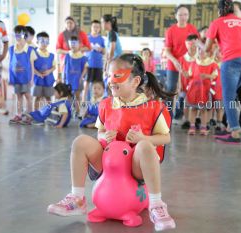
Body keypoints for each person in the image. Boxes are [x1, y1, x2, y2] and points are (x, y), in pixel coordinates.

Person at [47, 54, 176, 231]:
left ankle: (156, 204)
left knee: (145, 146)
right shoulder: (106, 104)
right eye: (109, 75)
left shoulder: (153, 107)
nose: (110, 80)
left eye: (118, 76)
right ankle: (77, 198)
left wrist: (143, 139)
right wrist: (103, 136)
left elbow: (165, 137)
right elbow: (100, 131)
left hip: (135, 166)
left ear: (135, 81)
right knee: (80, 142)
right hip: (110, 162)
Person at [202, 0, 241, 144]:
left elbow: (207, 48)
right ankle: (231, 127)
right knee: (230, 94)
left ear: (220, 11)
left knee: (228, 96)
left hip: (231, 61)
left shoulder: (217, 22)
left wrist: (207, 47)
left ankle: (235, 131)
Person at [164, 4, 199, 117]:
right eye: (180, 14)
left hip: (188, 66)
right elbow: (167, 51)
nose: (183, 17)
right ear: (176, 16)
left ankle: (178, 113)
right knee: (171, 89)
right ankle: (167, 114)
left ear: (188, 16)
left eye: (185, 14)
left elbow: (198, 46)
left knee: (186, 90)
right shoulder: (171, 31)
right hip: (173, 65)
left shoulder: (192, 29)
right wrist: (175, 61)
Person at [186, 47, 219, 136]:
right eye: (200, 50)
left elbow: (215, 75)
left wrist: (207, 76)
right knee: (193, 108)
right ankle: (192, 127)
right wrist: (185, 74)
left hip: (205, 89)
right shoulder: (193, 63)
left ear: (207, 53)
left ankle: (203, 127)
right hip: (194, 89)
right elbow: (190, 74)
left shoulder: (212, 63)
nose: (201, 52)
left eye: (204, 51)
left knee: (204, 109)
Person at [8, 25, 37, 125]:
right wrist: (10, 78)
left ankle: (29, 115)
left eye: (19, 34)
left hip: (26, 78)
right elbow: (11, 65)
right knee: (18, 96)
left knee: (28, 96)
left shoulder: (30, 50)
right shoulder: (11, 49)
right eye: (16, 35)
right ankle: (18, 114)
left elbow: (32, 67)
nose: (18, 37)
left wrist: (32, 79)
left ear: (25, 35)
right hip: (16, 78)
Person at [56, 16, 91, 81]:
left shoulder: (82, 33)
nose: (69, 24)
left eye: (71, 23)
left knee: (78, 81)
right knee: (66, 82)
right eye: (67, 23)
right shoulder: (62, 35)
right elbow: (57, 50)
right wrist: (69, 52)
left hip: (79, 62)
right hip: (66, 62)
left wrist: (78, 50)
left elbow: (88, 47)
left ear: (74, 23)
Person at [64, 36, 88, 115]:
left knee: (78, 96)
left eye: (75, 43)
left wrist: (82, 76)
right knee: (68, 96)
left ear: (79, 44)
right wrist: (62, 77)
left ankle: (78, 112)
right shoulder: (67, 55)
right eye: (71, 44)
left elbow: (85, 68)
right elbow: (64, 67)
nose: (73, 45)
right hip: (68, 79)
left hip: (78, 79)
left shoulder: (83, 57)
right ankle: (68, 112)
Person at [33, 32, 56, 111]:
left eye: (46, 41)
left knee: (48, 97)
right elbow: (31, 66)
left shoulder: (51, 55)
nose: (44, 44)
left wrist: (49, 71)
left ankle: (49, 112)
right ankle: (36, 112)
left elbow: (54, 66)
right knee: (38, 97)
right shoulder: (34, 54)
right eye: (42, 41)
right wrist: (37, 73)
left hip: (48, 80)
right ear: (37, 42)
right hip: (37, 80)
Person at [179, 34, 198, 129]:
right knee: (186, 103)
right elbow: (180, 73)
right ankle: (186, 120)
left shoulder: (200, 57)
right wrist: (179, 85)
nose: (192, 47)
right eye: (190, 45)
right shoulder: (182, 58)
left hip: (198, 85)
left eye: (194, 44)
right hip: (186, 84)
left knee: (198, 104)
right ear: (187, 45)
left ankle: (195, 120)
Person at [84, 20, 105, 102]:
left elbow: (104, 52)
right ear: (91, 27)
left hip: (99, 65)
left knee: (98, 84)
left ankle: (97, 102)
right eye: (94, 26)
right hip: (89, 64)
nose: (96, 28)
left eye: (98, 27)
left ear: (100, 29)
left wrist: (101, 49)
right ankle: (84, 101)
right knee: (87, 83)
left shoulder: (102, 39)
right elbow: (82, 50)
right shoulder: (87, 38)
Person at [101, 14, 123, 82]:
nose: (101, 24)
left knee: (112, 84)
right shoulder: (109, 34)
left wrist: (107, 69)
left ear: (108, 23)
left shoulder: (112, 33)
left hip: (116, 63)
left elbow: (112, 51)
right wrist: (105, 67)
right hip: (113, 63)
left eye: (102, 22)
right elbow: (108, 53)